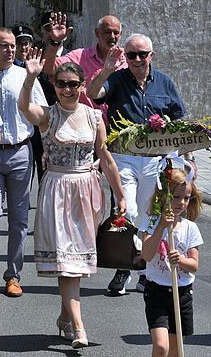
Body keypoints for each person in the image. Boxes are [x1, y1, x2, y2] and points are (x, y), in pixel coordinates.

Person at [19, 54, 127, 349]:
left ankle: (65, 317)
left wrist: (120, 194)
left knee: (76, 262)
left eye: (74, 84)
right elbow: (24, 108)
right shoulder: (48, 115)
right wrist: (30, 78)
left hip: (88, 190)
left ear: (82, 85)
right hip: (57, 189)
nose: (68, 89)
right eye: (62, 84)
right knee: (67, 261)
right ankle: (79, 328)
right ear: (54, 85)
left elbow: (105, 157)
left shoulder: (94, 117)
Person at [87, 33, 186, 296]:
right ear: (125, 57)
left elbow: (180, 118)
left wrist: (183, 155)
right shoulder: (117, 80)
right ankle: (124, 266)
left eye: (142, 54)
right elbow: (93, 93)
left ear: (151, 55)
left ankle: (143, 269)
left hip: (155, 159)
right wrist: (106, 70)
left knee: (147, 215)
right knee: (126, 211)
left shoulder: (164, 82)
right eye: (131, 55)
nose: (137, 60)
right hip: (125, 158)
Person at [0, 27, 48, 297]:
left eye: (13, 46)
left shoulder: (26, 76)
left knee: (19, 219)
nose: (10, 50)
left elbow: (42, 115)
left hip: (20, 152)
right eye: (3, 45)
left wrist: (47, 146)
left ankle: (13, 275)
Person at [141, 166, 203, 357]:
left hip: (182, 293)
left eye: (186, 198)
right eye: (176, 197)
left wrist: (181, 260)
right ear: (163, 197)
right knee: (161, 347)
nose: (181, 203)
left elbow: (194, 265)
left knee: (176, 350)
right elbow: (147, 255)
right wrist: (161, 227)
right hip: (157, 291)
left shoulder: (190, 228)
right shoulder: (151, 222)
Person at [41, 13, 127, 122]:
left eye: (116, 33)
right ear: (97, 33)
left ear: (121, 34)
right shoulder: (80, 57)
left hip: (122, 130)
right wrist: (55, 42)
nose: (112, 36)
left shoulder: (130, 58)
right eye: (107, 32)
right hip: (88, 128)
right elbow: (48, 69)